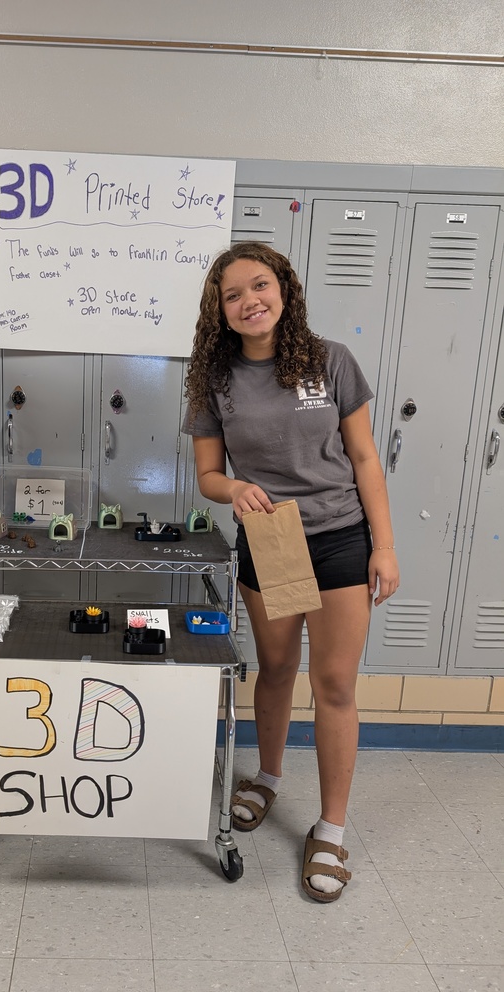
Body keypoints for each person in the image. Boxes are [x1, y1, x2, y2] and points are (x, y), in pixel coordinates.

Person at [182, 241, 399, 902]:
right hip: (271, 540)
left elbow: (365, 458)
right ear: (219, 310)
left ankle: (330, 830)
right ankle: (269, 778)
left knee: (333, 683)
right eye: (233, 295)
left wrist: (384, 547)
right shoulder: (214, 378)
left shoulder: (331, 361)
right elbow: (208, 475)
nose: (249, 301)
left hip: (338, 538)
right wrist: (234, 489)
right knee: (275, 668)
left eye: (259, 285)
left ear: (284, 289)